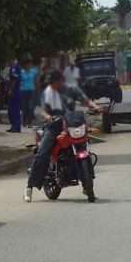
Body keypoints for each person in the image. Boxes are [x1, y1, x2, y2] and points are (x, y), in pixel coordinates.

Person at [24, 70, 102, 202]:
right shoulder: (47, 93)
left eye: (54, 82)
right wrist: (47, 116)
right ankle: (30, 186)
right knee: (43, 153)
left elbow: (85, 100)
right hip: (54, 125)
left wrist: (95, 107)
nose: (52, 85)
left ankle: (87, 185)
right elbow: (41, 109)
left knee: (84, 147)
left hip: (72, 123)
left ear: (60, 80)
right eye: (51, 83)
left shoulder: (71, 90)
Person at [20, 59, 38, 127]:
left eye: (30, 64)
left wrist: (37, 90)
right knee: (24, 107)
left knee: (30, 107)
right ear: (25, 65)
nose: (28, 66)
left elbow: (36, 81)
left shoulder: (34, 71)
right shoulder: (21, 72)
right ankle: (24, 121)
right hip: (23, 90)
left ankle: (29, 122)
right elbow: (19, 81)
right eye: (27, 64)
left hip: (31, 90)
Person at [7, 59, 22, 133]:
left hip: (15, 92)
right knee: (11, 110)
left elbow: (15, 80)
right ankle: (14, 126)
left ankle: (16, 127)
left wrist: (11, 90)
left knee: (14, 110)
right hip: (14, 91)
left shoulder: (15, 67)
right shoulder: (13, 67)